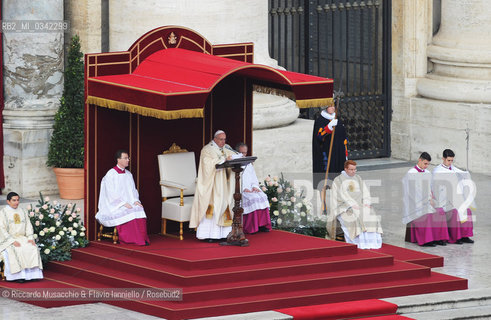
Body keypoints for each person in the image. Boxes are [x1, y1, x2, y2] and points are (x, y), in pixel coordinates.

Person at [96, 150, 150, 246]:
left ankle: (142, 238)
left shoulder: (129, 174)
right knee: (128, 211)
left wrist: (136, 201)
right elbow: (110, 193)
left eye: (128, 158)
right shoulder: (111, 174)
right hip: (114, 205)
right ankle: (132, 240)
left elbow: (133, 190)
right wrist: (122, 203)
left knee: (139, 208)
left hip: (129, 202)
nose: (128, 160)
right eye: (125, 158)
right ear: (118, 159)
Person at [190, 130, 235, 241]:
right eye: (221, 139)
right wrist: (223, 159)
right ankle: (210, 234)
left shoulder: (227, 148)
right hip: (212, 185)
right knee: (214, 207)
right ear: (215, 139)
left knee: (225, 205)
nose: (223, 142)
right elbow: (207, 165)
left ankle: (225, 234)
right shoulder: (207, 149)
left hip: (225, 185)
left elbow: (233, 156)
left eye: (224, 139)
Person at [328, 160, 383, 249]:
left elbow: (365, 192)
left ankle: (372, 243)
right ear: (345, 169)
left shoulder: (358, 178)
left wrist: (366, 202)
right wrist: (350, 205)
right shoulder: (338, 180)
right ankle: (361, 243)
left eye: (355, 169)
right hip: (344, 207)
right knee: (356, 216)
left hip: (359, 205)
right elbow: (337, 197)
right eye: (351, 169)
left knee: (371, 214)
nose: (353, 172)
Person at [402, 152, 449, 247]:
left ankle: (438, 238)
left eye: (428, 164)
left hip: (427, 200)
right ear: (420, 160)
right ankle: (426, 240)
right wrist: (427, 200)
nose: (426, 166)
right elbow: (413, 192)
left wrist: (432, 198)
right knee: (427, 213)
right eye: (425, 163)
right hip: (414, 203)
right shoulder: (411, 173)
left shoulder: (427, 173)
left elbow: (430, 189)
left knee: (440, 211)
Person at [432, 149, 474, 244]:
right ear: (443, 158)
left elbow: (460, 174)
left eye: (452, 160)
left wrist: (466, 174)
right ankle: (456, 237)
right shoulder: (438, 171)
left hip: (454, 198)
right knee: (455, 212)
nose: (450, 163)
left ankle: (464, 236)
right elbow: (436, 188)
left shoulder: (452, 168)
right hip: (443, 200)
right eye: (448, 160)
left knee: (467, 210)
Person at [0, 192, 43, 282]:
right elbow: (2, 229)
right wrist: (11, 241)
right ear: (8, 201)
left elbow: (28, 225)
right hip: (8, 239)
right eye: (14, 200)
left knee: (32, 247)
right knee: (17, 249)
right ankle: (18, 276)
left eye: (18, 200)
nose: (16, 202)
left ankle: (32, 275)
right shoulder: (3, 213)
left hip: (22, 237)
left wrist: (30, 238)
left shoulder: (22, 211)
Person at [235, 143, 271, 234]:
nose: (243, 155)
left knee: (263, 196)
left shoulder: (248, 164)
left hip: (251, 188)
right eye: (241, 153)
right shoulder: (234, 163)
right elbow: (234, 180)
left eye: (245, 153)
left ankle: (262, 225)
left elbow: (254, 178)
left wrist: (255, 187)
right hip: (242, 190)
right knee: (252, 199)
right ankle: (252, 227)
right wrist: (243, 189)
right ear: (237, 152)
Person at [312, 103, 348, 190]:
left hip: (338, 149)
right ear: (325, 107)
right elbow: (319, 136)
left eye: (333, 106)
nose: (333, 108)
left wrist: (345, 151)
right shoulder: (320, 120)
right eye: (330, 106)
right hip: (326, 149)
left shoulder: (337, 119)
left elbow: (343, 136)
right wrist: (329, 127)